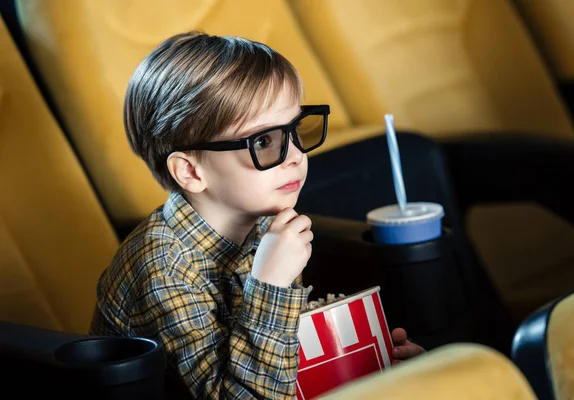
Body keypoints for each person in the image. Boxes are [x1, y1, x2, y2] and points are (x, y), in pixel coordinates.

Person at [90, 31, 424, 399]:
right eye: (264, 141)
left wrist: (370, 367)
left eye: (296, 130)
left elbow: (281, 362)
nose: (297, 155)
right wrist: (271, 287)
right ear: (190, 172)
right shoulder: (164, 270)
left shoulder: (267, 224)